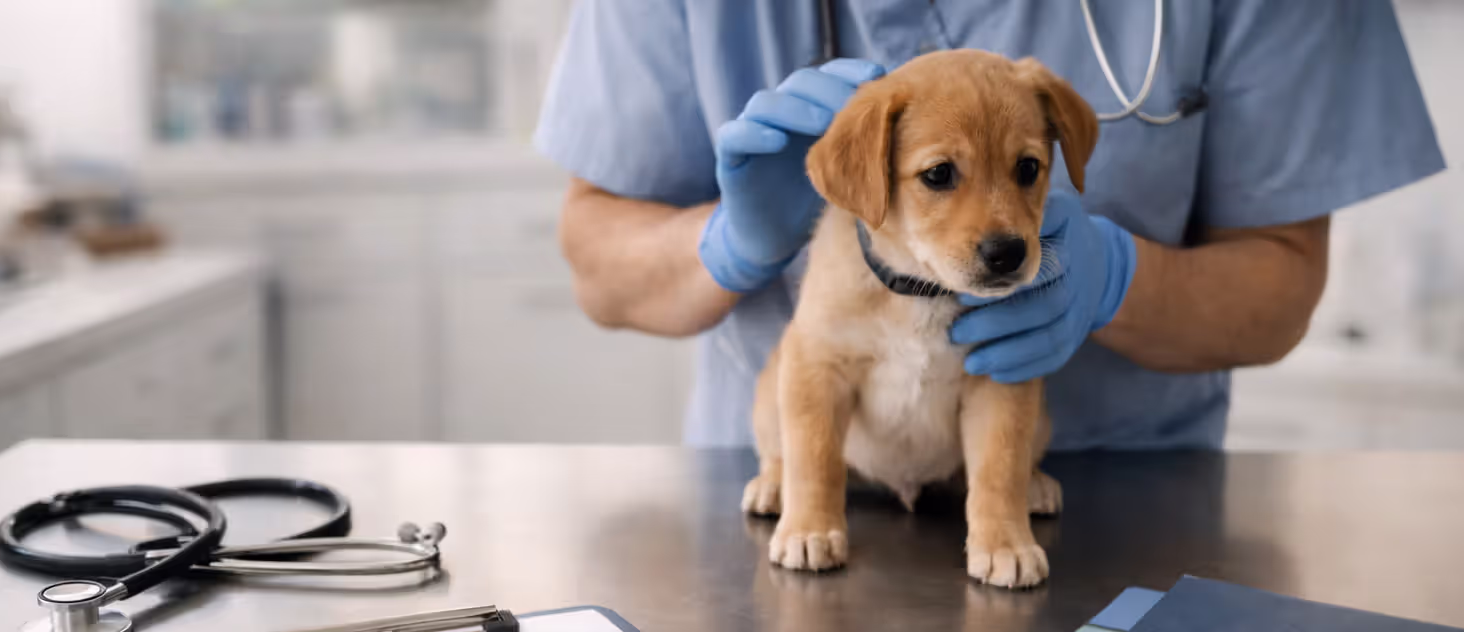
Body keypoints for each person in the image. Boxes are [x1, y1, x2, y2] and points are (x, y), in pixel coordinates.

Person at [536, 1, 1444, 450]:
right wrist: (732, 240)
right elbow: (597, 258)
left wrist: (1117, 280)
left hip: (1119, 516)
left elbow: (1281, 282)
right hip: (793, 490)